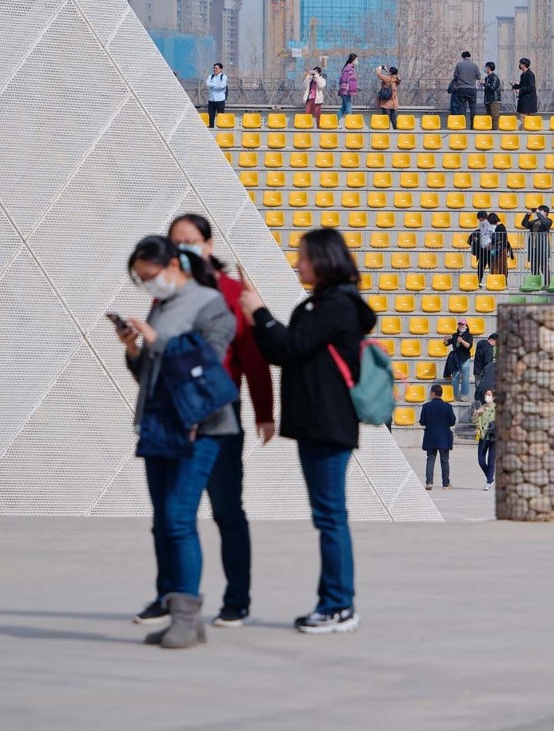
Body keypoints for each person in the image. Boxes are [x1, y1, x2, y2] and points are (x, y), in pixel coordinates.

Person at [239, 228, 373, 635]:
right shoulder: (327, 304)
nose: (298, 263)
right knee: (329, 516)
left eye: (304, 256)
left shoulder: (335, 306)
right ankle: (333, 602)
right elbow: (286, 349)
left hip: (327, 424)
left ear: (325, 260)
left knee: (330, 516)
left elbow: (289, 347)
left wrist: (258, 312)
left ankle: (338, 605)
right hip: (320, 423)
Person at [118, 235, 237, 648]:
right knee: (164, 522)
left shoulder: (209, 302)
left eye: (151, 275)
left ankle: (187, 617)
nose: (149, 284)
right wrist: (134, 350)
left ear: (173, 265)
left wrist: (156, 341)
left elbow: (209, 362)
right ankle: (175, 609)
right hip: (160, 422)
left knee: (179, 517)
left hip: (200, 424)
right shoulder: (163, 307)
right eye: (142, 280)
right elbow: (151, 376)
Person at [166, 214, 274, 630]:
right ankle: (173, 598)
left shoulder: (231, 292)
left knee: (227, 511)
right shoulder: (168, 293)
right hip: (176, 420)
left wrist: (264, 413)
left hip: (220, 419)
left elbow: (252, 358)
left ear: (208, 245)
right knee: (175, 515)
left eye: (190, 240)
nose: (183, 247)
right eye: (176, 241)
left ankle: (237, 600)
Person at [418, 385, 454, 491]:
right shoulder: (448, 407)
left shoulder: (426, 406)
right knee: (444, 460)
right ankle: (445, 483)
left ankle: (429, 482)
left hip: (431, 437)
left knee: (430, 460)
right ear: (441, 393)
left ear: (433, 393)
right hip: (444, 437)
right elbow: (452, 422)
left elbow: (422, 422)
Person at [442, 320, 473, 403]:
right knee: (455, 377)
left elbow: (468, 346)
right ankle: (454, 394)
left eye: (462, 324)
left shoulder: (469, 335)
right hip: (456, 358)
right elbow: (446, 343)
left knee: (465, 377)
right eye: (459, 324)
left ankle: (464, 395)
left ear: (466, 326)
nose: (460, 326)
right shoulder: (455, 335)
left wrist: (462, 341)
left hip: (465, 358)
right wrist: (445, 339)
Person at [519, 205, 552, 282]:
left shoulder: (549, 221)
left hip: (543, 248)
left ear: (546, 213)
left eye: (541, 211)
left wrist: (538, 213)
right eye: (538, 210)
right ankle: (536, 283)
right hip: (533, 247)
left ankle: (547, 283)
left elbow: (545, 223)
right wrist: (528, 214)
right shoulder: (534, 222)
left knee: (544, 268)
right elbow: (524, 224)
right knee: (534, 268)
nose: (538, 212)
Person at [473, 388, 497, 491]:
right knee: (481, 460)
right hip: (483, 437)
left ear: (493, 397)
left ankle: (488, 482)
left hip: (493, 438)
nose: (487, 396)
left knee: (491, 461)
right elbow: (475, 421)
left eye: (489, 395)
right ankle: (490, 477)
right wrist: (477, 413)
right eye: (486, 394)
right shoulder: (481, 407)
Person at [449, 51, 481, 125]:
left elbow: (455, 77)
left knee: (462, 107)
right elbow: (478, 77)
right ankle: (473, 125)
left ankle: (462, 124)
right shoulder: (475, 65)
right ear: (470, 56)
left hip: (461, 89)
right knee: (473, 107)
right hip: (472, 89)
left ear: (462, 57)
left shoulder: (459, 65)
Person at [473, 333, 497, 403]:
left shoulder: (480, 344)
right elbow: (488, 363)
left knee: (477, 390)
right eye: (496, 342)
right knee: (484, 391)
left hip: (477, 370)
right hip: (484, 373)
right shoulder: (489, 349)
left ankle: (477, 406)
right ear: (491, 340)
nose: (495, 345)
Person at [488, 211, 513, 276]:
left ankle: (499, 279)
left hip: (500, 248)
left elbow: (499, 238)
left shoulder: (499, 227)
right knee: (500, 265)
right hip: (501, 248)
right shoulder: (501, 226)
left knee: (498, 265)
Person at [204, 62, 228, 128]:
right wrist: (216, 85)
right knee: (211, 116)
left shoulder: (223, 77)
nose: (215, 70)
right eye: (214, 68)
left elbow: (222, 86)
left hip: (220, 100)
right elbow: (207, 84)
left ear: (221, 69)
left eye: (216, 68)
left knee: (221, 116)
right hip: (211, 100)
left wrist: (213, 85)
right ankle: (211, 128)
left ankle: (222, 129)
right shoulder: (210, 76)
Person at [469, 211, 491, 280]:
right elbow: (481, 233)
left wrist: (490, 244)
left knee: (491, 265)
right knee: (480, 266)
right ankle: (478, 281)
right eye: (480, 219)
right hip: (482, 247)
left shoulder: (489, 224)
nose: (481, 221)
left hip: (489, 247)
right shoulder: (481, 224)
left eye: (482, 219)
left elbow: (492, 234)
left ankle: (493, 281)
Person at [336, 54, 359, 121]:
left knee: (344, 107)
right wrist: (353, 90)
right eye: (356, 59)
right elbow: (346, 81)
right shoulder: (349, 69)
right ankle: (350, 122)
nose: (357, 61)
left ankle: (335, 121)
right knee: (348, 106)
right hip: (346, 91)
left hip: (346, 90)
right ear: (353, 60)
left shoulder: (347, 68)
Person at [482, 62, 503, 129]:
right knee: (489, 117)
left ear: (489, 68)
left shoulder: (494, 77)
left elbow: (493, 87)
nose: (485, 69)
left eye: (486, 67)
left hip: (494, 100)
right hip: (488, 100)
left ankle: (494, 131)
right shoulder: (487, 78)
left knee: (494, 116)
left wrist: (485, 84)